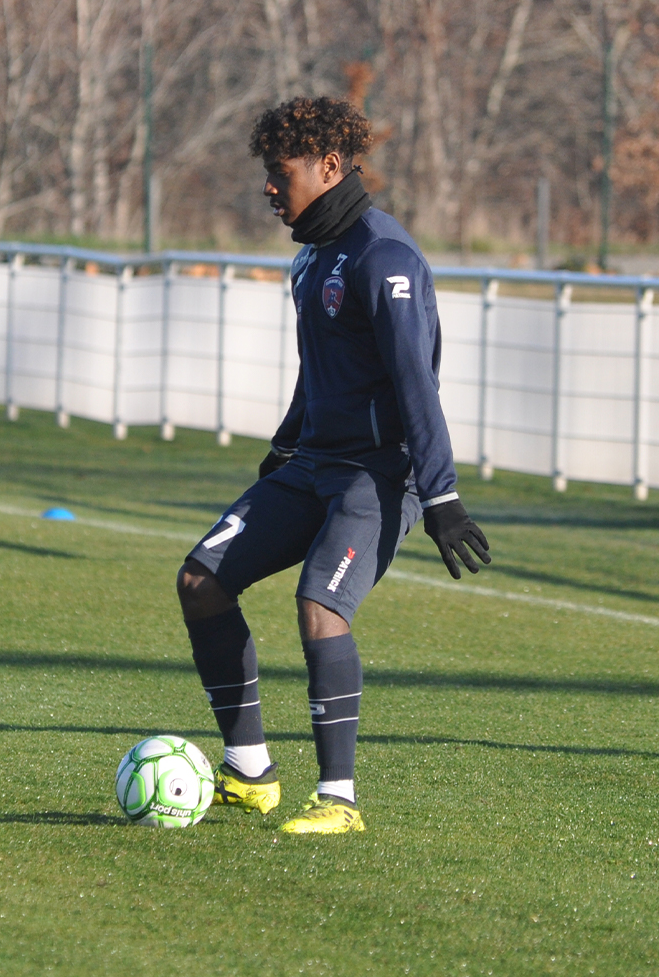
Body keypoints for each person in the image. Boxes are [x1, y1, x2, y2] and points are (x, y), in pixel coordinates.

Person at [176, 97, 491, 835]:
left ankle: (339, 801)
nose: (268, 188)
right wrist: (285, 444)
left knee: (320, 607)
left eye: (279, 173)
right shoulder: (313, 257)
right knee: (201, 581)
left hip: (380, 476)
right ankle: (250, 771)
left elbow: (416, 382)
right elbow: (318, 373)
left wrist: (440, 496)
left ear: (328, 166)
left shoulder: (386, 258)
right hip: (312, 463)